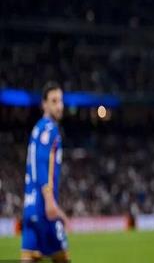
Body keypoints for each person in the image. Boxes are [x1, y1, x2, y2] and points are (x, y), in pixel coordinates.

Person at [21, 82, 69, 262]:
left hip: (30, 205)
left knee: (29, 257)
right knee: (62, 257)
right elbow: (41, 163)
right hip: (44, 208)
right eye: (54, 101)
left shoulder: (37, 129)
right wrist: (49, 200)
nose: (59, 106)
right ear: (44, 104)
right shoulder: (50, 129)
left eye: (60, 101)